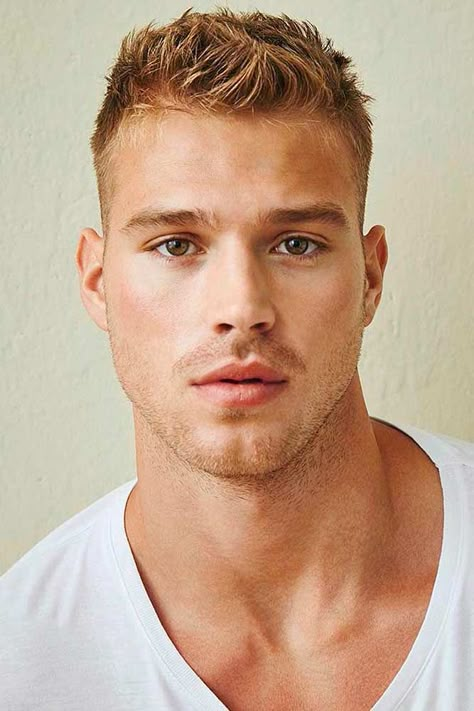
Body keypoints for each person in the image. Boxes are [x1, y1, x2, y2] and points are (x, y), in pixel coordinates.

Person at [1, 7, 473, 710]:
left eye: (296, 243)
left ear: (370, 278)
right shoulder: (23, 660)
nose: (242, 306)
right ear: (97, 282)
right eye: (177, 244)